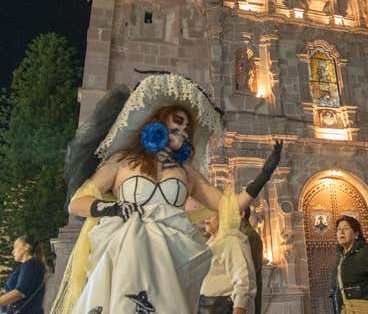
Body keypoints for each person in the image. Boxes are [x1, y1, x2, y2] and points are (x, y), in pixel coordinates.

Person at [49, 73, 283, 314]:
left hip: (172, 253)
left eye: (185, 130)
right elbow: (77, 203)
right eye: (175, 127)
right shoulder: (122, 162)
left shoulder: (187, 173)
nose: (181, 133)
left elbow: (230, 206)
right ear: (157, 126)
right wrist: (113, 208)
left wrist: (264, 175)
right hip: (126, 245)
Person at [198, 204, 257, 314]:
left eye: (210, 214)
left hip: (223, 306)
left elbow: (243, 281)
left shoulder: (231, 240)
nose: (206, 218)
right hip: (207, 306)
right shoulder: (212, 242)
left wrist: (239, 308)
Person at [0, 235, 46, 314]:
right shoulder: (27, 265)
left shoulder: (30, 264)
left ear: (26, 247)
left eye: (15, 246)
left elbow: (19, 293)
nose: (12, 251)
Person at [329, 215, 368, 314]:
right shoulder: (340, 259)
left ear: (356, 234)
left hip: (364, 308)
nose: (341, 232)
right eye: (339, 229)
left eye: (346, 228)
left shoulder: (367, 253)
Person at [238, 208, 263, 314]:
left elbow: (248, 268)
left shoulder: (247, 235)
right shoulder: (242, 233)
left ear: (242, 214)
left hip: (247, 291)